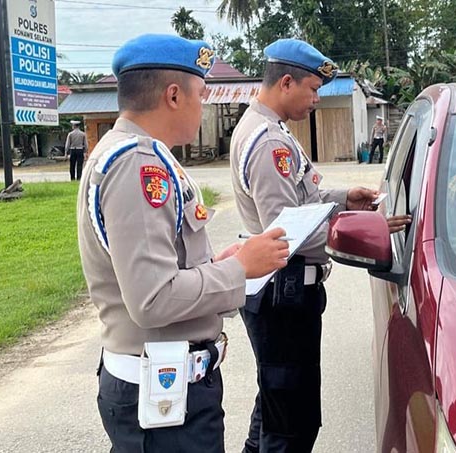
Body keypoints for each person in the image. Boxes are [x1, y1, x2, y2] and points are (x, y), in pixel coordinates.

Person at [76, 34, 290, 453]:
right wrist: (238, 269)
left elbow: (166, 268)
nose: (204, 104)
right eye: (201, 93)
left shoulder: (141, 154)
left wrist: (222, 263)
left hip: (168, 394)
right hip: (163, 402)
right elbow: (152, 299)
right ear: (173, 95)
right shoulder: (137, 165)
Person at [230, 39, 409, 452]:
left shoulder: (270, 130)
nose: (315, 99)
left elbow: (303, 202)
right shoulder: (268, 142)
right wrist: (362, 225)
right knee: (291, 424)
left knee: (274, 408)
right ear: (287, 82)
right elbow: (284, 231)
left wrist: (346, 199)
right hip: (284, 293)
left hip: (283, 292)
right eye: (312, 89)